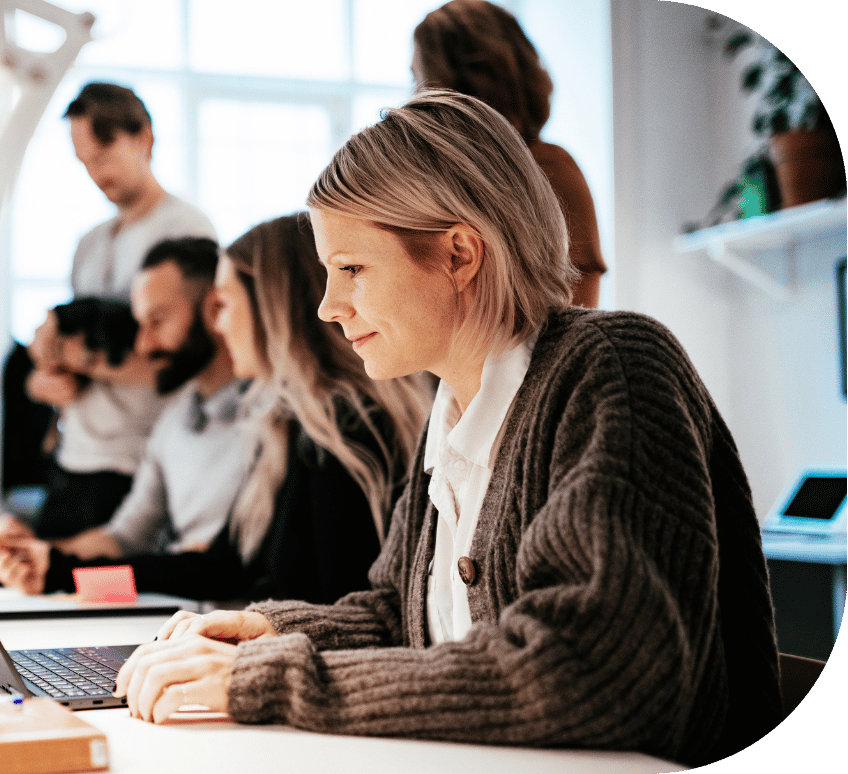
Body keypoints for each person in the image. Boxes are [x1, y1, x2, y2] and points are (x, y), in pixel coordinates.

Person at [113, 91, 780, 768]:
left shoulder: (612, 368)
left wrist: (269, 679)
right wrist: (265, 631)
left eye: (351, 270)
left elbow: (590, 668)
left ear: (459, 254)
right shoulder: (454, 407)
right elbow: (396, 616)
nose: (328, 307)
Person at [0, 216, 431, 605]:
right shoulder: (283, 425)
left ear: (271, 309)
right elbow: (217, 570)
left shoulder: (341, 427)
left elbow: (342, 615)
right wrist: (60, 574)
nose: (218, 325)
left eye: (224, 305)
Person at [4, 82, 216, 538]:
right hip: (73, 456)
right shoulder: (90, 242)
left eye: (103, 155)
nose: (95, 174)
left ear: (144, 138)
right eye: (84, 163)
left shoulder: (185, 230)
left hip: (135, 464)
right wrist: (45, 378)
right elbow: (65, 346)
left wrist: (77, 357)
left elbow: (186, 360)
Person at [0, 237, 254, 569]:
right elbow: (125, 538)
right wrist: (34, 554)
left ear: (215, 310)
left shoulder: (268, 419)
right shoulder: (175, 423)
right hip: (181, 605)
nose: (143, 346)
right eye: (141, 325)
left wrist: (59, 570)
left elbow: (228, 567)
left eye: (157, 321)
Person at [411, 0, 607, 307]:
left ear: (450, 85)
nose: (415, 97)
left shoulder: (546, 171)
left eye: (418, 79)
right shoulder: (446, 179)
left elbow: (571, 306)